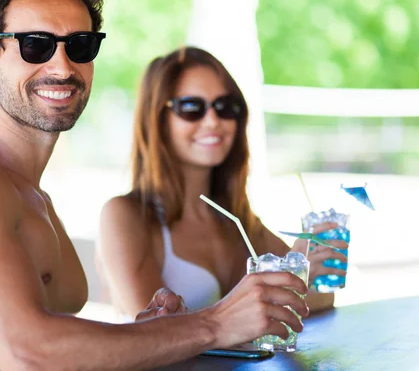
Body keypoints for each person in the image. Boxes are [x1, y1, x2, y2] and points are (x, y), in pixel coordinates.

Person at [0, 0, 309, 370]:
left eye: (79, 45)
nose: (61, 67)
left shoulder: (32, 195)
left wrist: (154, 334)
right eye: (35, 45)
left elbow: (57, 347)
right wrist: (213, 324)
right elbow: (30, 354)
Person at [97, 47, 348, 318]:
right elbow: (150, 330)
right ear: (157, 119)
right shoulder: (126, 215)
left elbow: (321, 299)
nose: (213, 120)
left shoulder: (237, 218)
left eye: (225, 107)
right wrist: (286, 277)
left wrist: (308, 267)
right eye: (192, 108)